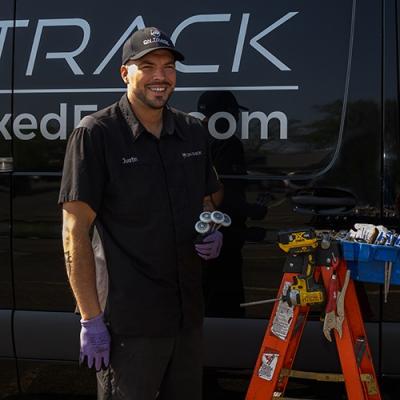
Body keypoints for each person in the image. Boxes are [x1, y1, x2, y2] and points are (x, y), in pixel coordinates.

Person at [58, 27, 223, 400]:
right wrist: (91, 319)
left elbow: (206, 198)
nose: (160, 76)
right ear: (125, 73)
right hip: (129, 326)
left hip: (186, 319)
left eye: (167, 66)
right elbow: (74, 232)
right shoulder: (95, 135)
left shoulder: (192, 132)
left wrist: (211, 226)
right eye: (147, 66)